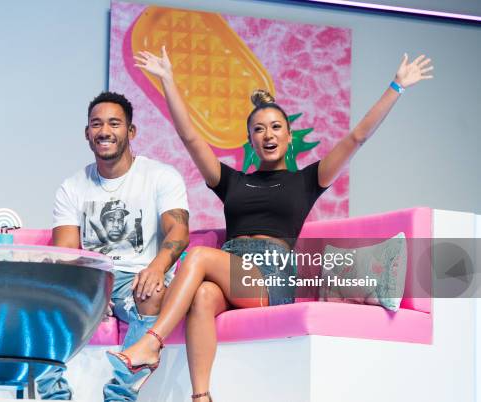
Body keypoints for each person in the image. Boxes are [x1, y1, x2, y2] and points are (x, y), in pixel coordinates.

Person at [106, 47, 434, 401]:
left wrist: (396, 87)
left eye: (276, 127)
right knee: (202, 296)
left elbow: (357, 138)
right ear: (250, 141)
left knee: (199, 255)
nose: (268, 134)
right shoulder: (231, 181)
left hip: (269, 276)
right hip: (231, 271)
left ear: (289, 136)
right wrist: (168, 80)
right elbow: (189, 138)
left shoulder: (308, 180)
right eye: (259, 129)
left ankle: (151, 344)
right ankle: (201, 396)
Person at [40, 91, 190, 401]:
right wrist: (92, 285)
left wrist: (157, 267)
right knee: (37, 296)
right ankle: (54, 395)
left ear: (130, 131)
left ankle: (120, 395)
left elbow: (178, 229)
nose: (105, 131)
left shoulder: (160, 176)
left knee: (153, 290)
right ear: (87, 133)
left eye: (114, 123)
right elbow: (68, 252)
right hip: (96, 278)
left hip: (139, 278)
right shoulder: (72, 187)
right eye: (96, 124)